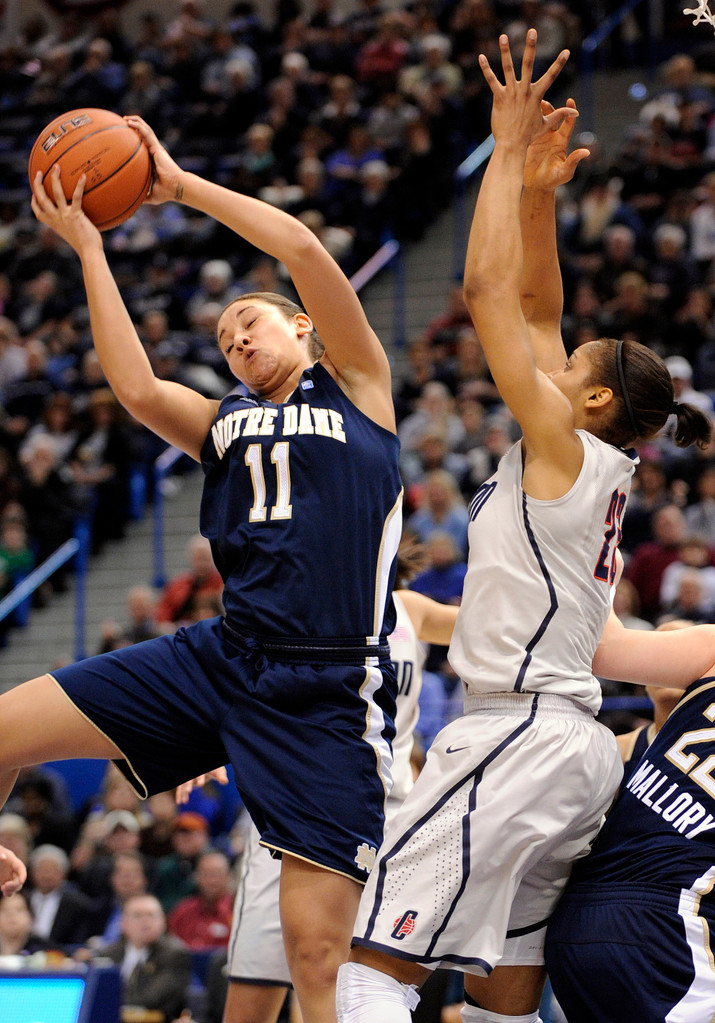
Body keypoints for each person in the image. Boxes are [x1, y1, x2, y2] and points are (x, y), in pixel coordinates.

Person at [335, 31, 713, 1023]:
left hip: (516, 735)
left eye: (568, 368)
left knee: (371, 966)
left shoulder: (560, 450)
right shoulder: (587, 452)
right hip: (574, 751)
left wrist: (502, 155)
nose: (552, 365)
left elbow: (487, 298)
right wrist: (542, 191)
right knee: (502, 991)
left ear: (585, 402)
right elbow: (541, 304)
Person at [11, 109, 402, 1023]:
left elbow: (302, 245)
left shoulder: (361, 390)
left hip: (323, 685)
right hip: (221, 656)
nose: (236, 341)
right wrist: (88, 249)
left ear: (303, 327)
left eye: (250, 323)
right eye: (224, 339)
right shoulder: (222, 422)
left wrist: (178, 186)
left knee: (314, 957)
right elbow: (140, 389)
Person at [191, 568, 460, 1023]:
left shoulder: (410, 608)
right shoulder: (299, 602)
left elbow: (496, 621)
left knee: (346, 986)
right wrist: (198, 744)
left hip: (389, 820)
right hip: (294, 812)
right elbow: (236, 676)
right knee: (254, 999)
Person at [545, 612, 715, 1023]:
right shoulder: (618, 746)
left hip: (579, 917)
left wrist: (601, 549)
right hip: (670, 927)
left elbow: (603, 647)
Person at [100, 893, 192, 1023]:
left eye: (151, 915)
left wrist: (109, 1002)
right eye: (137, 915)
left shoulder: (175, 954)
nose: (145, 921)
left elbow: (151, 1000)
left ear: (163, 921)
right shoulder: (109, 953)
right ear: (123, 923)